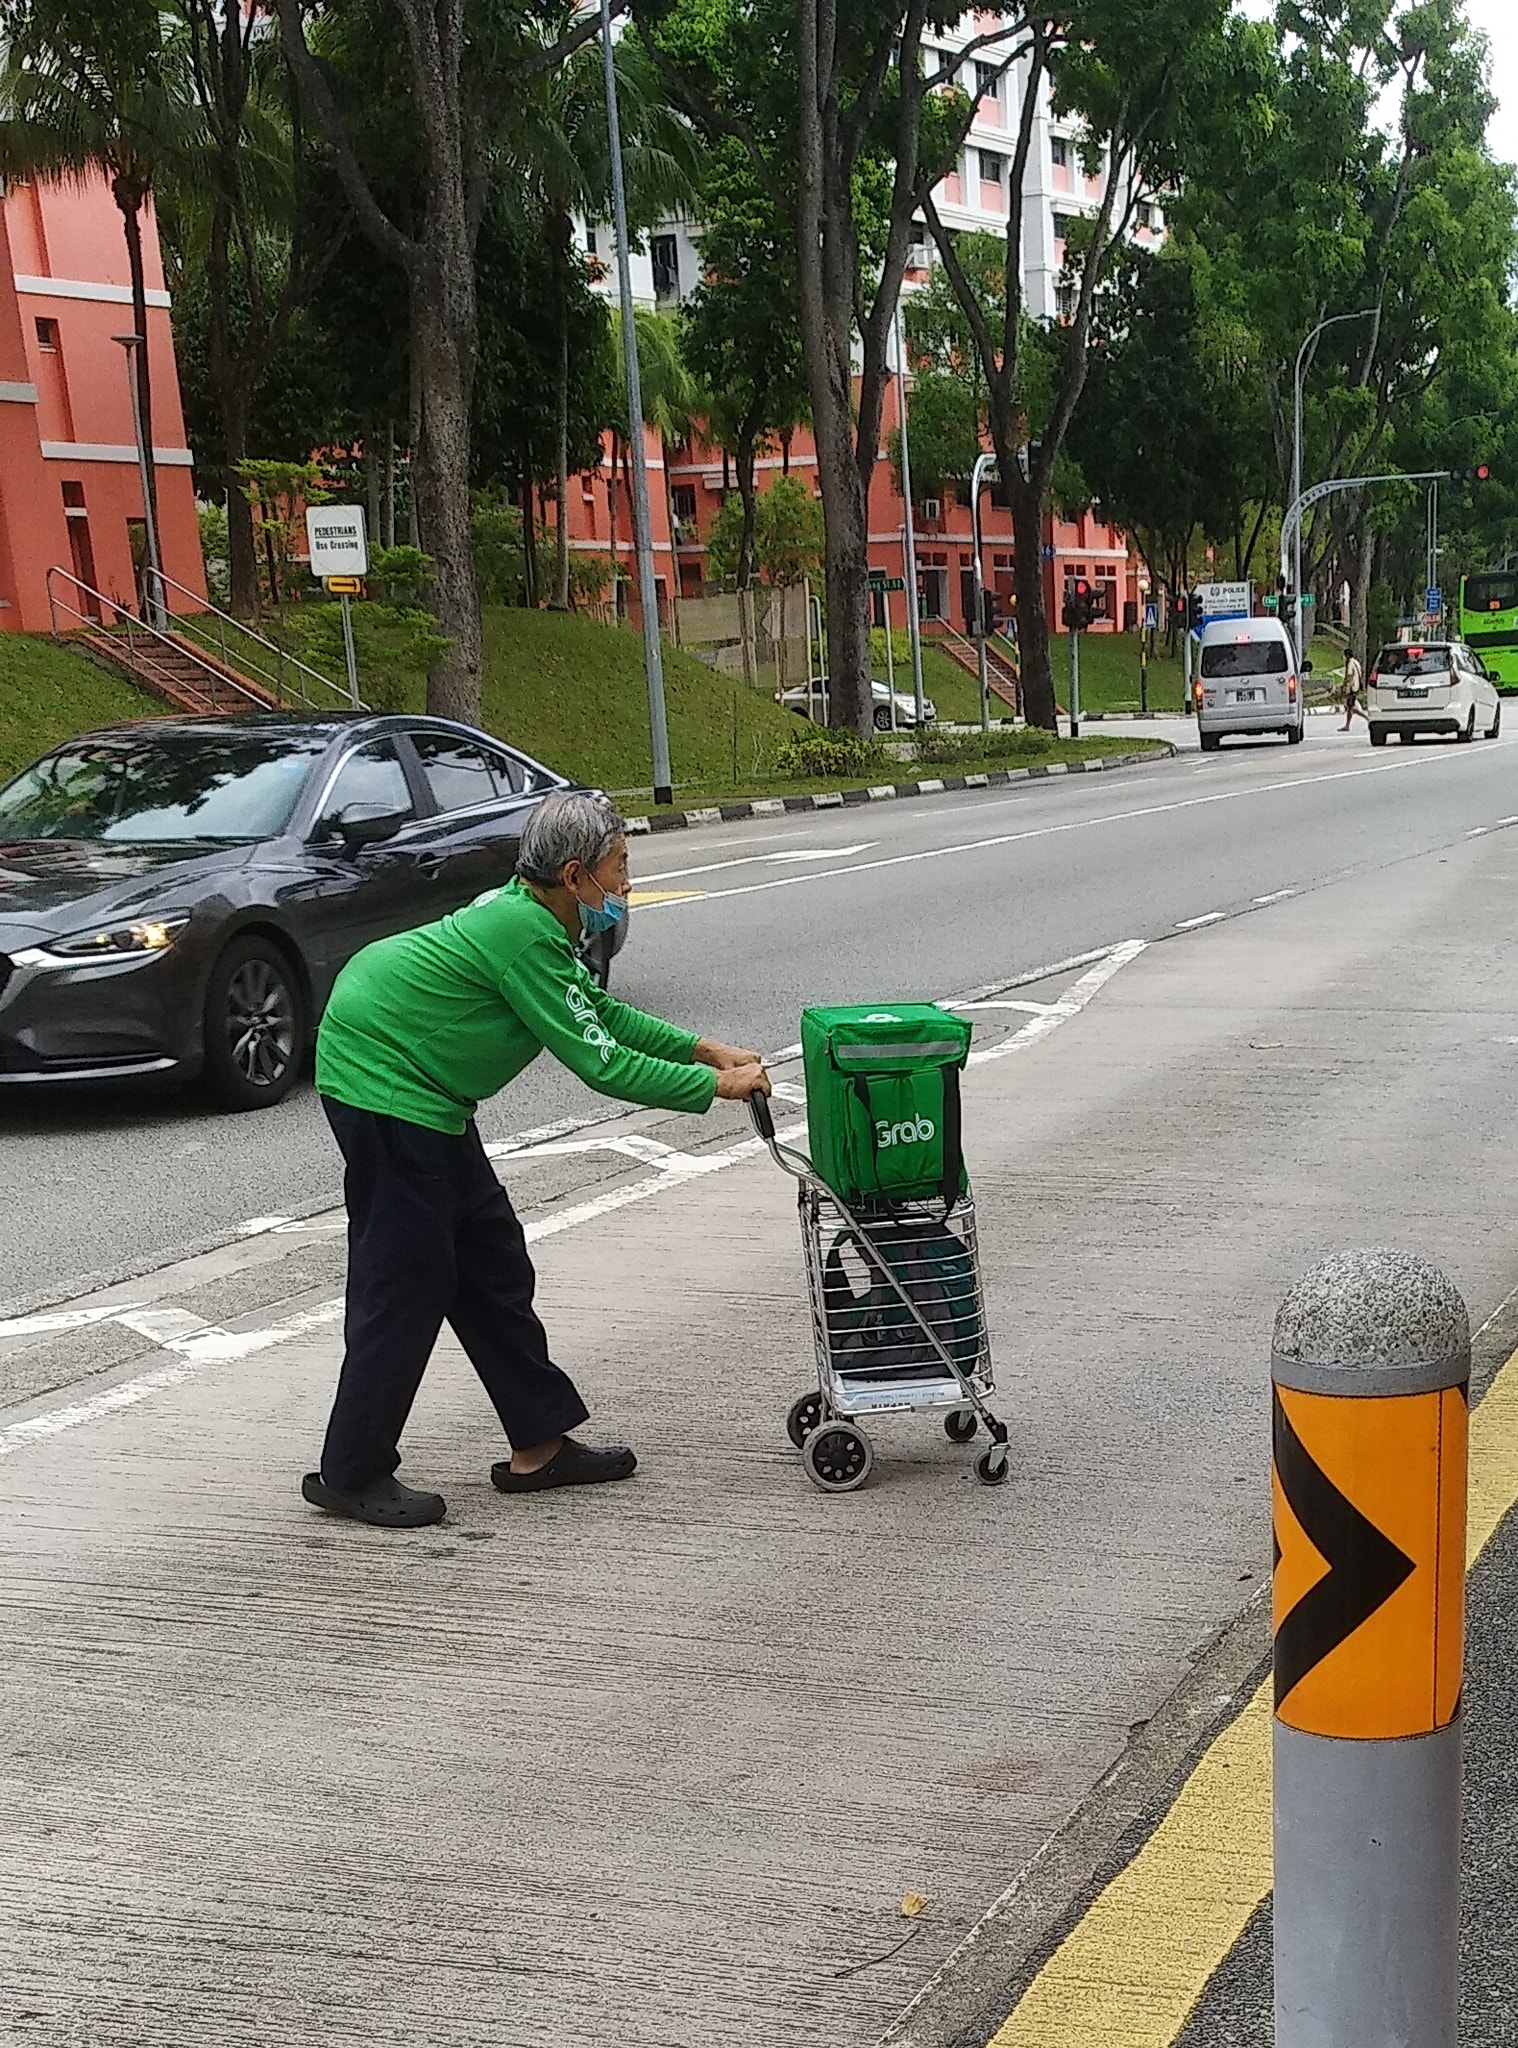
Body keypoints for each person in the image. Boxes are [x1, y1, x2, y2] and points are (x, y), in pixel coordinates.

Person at [302, 790, 770, 1529]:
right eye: (618, 870)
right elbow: (601, 1063)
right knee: (407, 1283)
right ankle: (350, 1470)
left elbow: (598, 1012)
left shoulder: (538, 921)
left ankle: (539, 1444)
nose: (625, 886)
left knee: (492, 1264)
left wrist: (699, 1046)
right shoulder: (522, 931)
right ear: (576, 874)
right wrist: (714, 1086)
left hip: (429, 1098)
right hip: (381, 1083)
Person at [1341, 651, 1364, 730]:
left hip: (1352, 687)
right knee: (1351, 707)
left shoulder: (1350, 663)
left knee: (1351, 707)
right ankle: (1347, 725)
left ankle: (1347, 726)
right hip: (1356, 687)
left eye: (1343, 656)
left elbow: (1349, 676)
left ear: (1347, 655)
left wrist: (1344, 685)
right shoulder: (1356, 662)